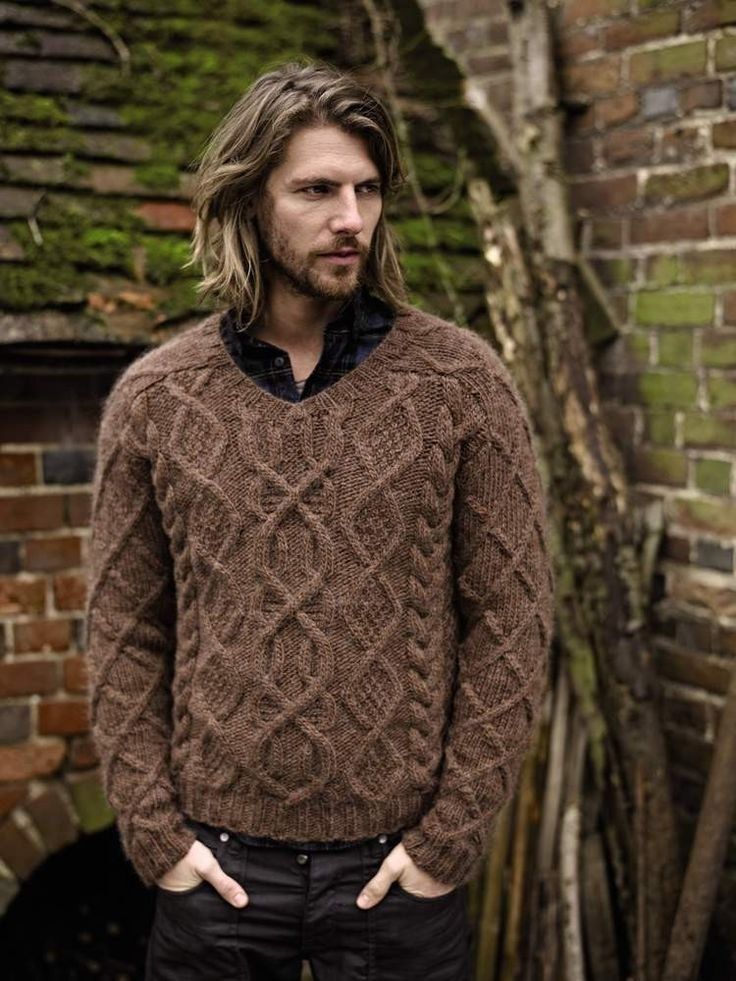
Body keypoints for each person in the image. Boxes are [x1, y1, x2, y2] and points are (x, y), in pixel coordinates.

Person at [85, 59, 555, 981]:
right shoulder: (156, 400)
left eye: (366, 190)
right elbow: (124, 628)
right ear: (248, 201)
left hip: (395, 877)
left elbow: (512, 618)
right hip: (217, 875)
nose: (351, 218)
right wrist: (157, 838)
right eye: (316, 190)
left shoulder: (460, 383)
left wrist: (446, 841)